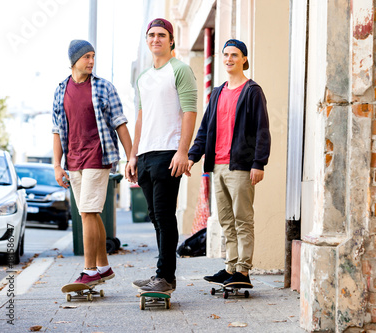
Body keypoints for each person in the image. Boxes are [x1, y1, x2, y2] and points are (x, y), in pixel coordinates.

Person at [187, 39, 271, 287]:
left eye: (234, 55)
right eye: (225, 55)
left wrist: (259, 162)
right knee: (225, 219)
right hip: (218, 165)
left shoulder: (252, 91)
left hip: (242, 166)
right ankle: (230, 266)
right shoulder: (217, 93)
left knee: (242, 219)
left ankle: (243, 271)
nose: (229, 59)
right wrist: (193, 155)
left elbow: (262, 130)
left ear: (244, 59)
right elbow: (205, 129)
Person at [126, 18, 197, 294]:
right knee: (155, 217)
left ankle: (165, 277)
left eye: (161, 35)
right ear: (147, 41)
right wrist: (133, 156)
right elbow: (141, 118)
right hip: (145, 155)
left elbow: (190, 111)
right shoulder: (143, 77)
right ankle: (161, 274)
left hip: (168, 153)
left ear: (171, 41)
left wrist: (183, 151)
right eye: (152, 35)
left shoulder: (180, 70)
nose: (156, 39)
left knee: (165, 216)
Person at [52, 40, 132, 286]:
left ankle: (89, 271)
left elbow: (120, 123)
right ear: (74, 60)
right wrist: (57, 164)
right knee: (90, 213)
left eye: (93, 56)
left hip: (98, 156)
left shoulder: (103, 87)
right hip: (73, 159)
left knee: (87, 212)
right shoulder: (60, 90)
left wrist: (131, 158)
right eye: (86, 56)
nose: (91, 61)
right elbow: (56, 129)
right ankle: (104, 267)